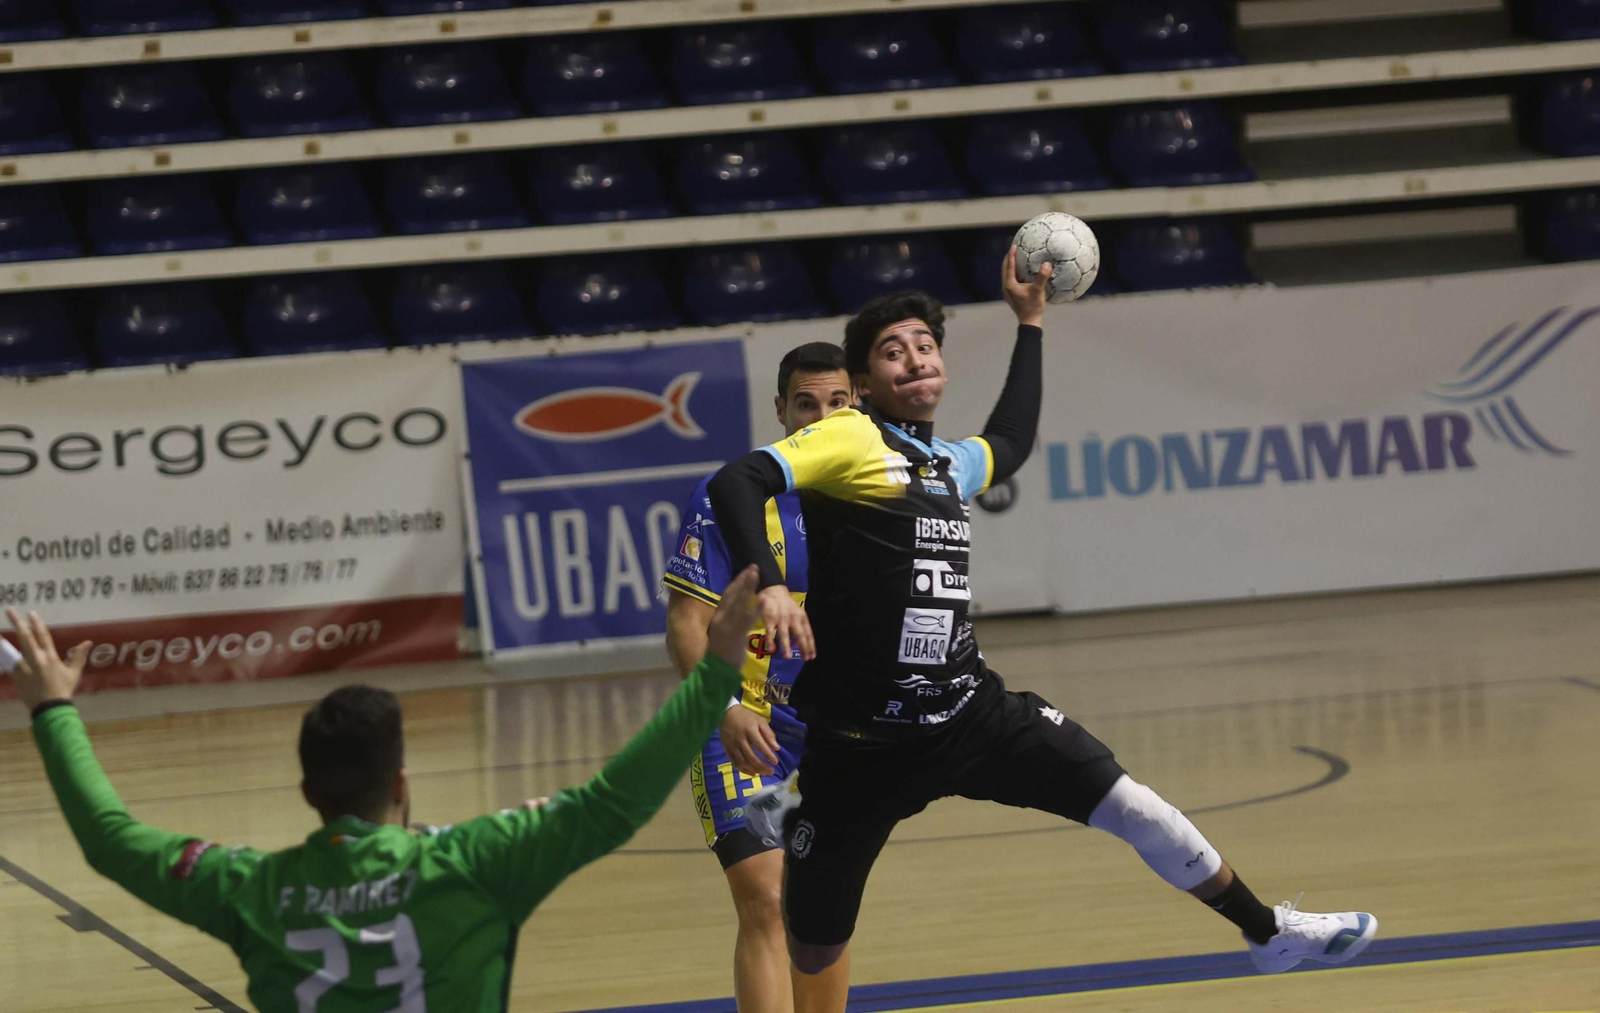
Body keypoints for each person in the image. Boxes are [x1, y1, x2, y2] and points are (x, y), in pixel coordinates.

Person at [707, 248, 1377, 1001]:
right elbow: (738, 479)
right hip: (861, 746)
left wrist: (1029, 323)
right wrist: (769, 585)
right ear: (863, 386)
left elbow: (1012, 440)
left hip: (970, 715)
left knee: (1133, 805)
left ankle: (1268, 931)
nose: (916, 358)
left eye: (926, 346)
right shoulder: (853, 438)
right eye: (893, 352)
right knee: (813, 936)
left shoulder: (946, 463)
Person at [4, 567, 762, 1013]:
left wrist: (52, 709)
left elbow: (107, 838)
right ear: (400, 781)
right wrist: (717, 671)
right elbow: (614, 802)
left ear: (306, 790)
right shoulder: (477, 862)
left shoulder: (251, 891)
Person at [662, 342, 853, 1013]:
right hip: (746, 730)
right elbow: (687, 621)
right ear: (781, 410)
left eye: (837, 403)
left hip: (830, 740)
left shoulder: (876, 500)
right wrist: (722, 711)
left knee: (820, 905)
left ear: (857, 407)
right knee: (768, 899)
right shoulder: (735, 495)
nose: (821, 416)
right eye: (807, 403)